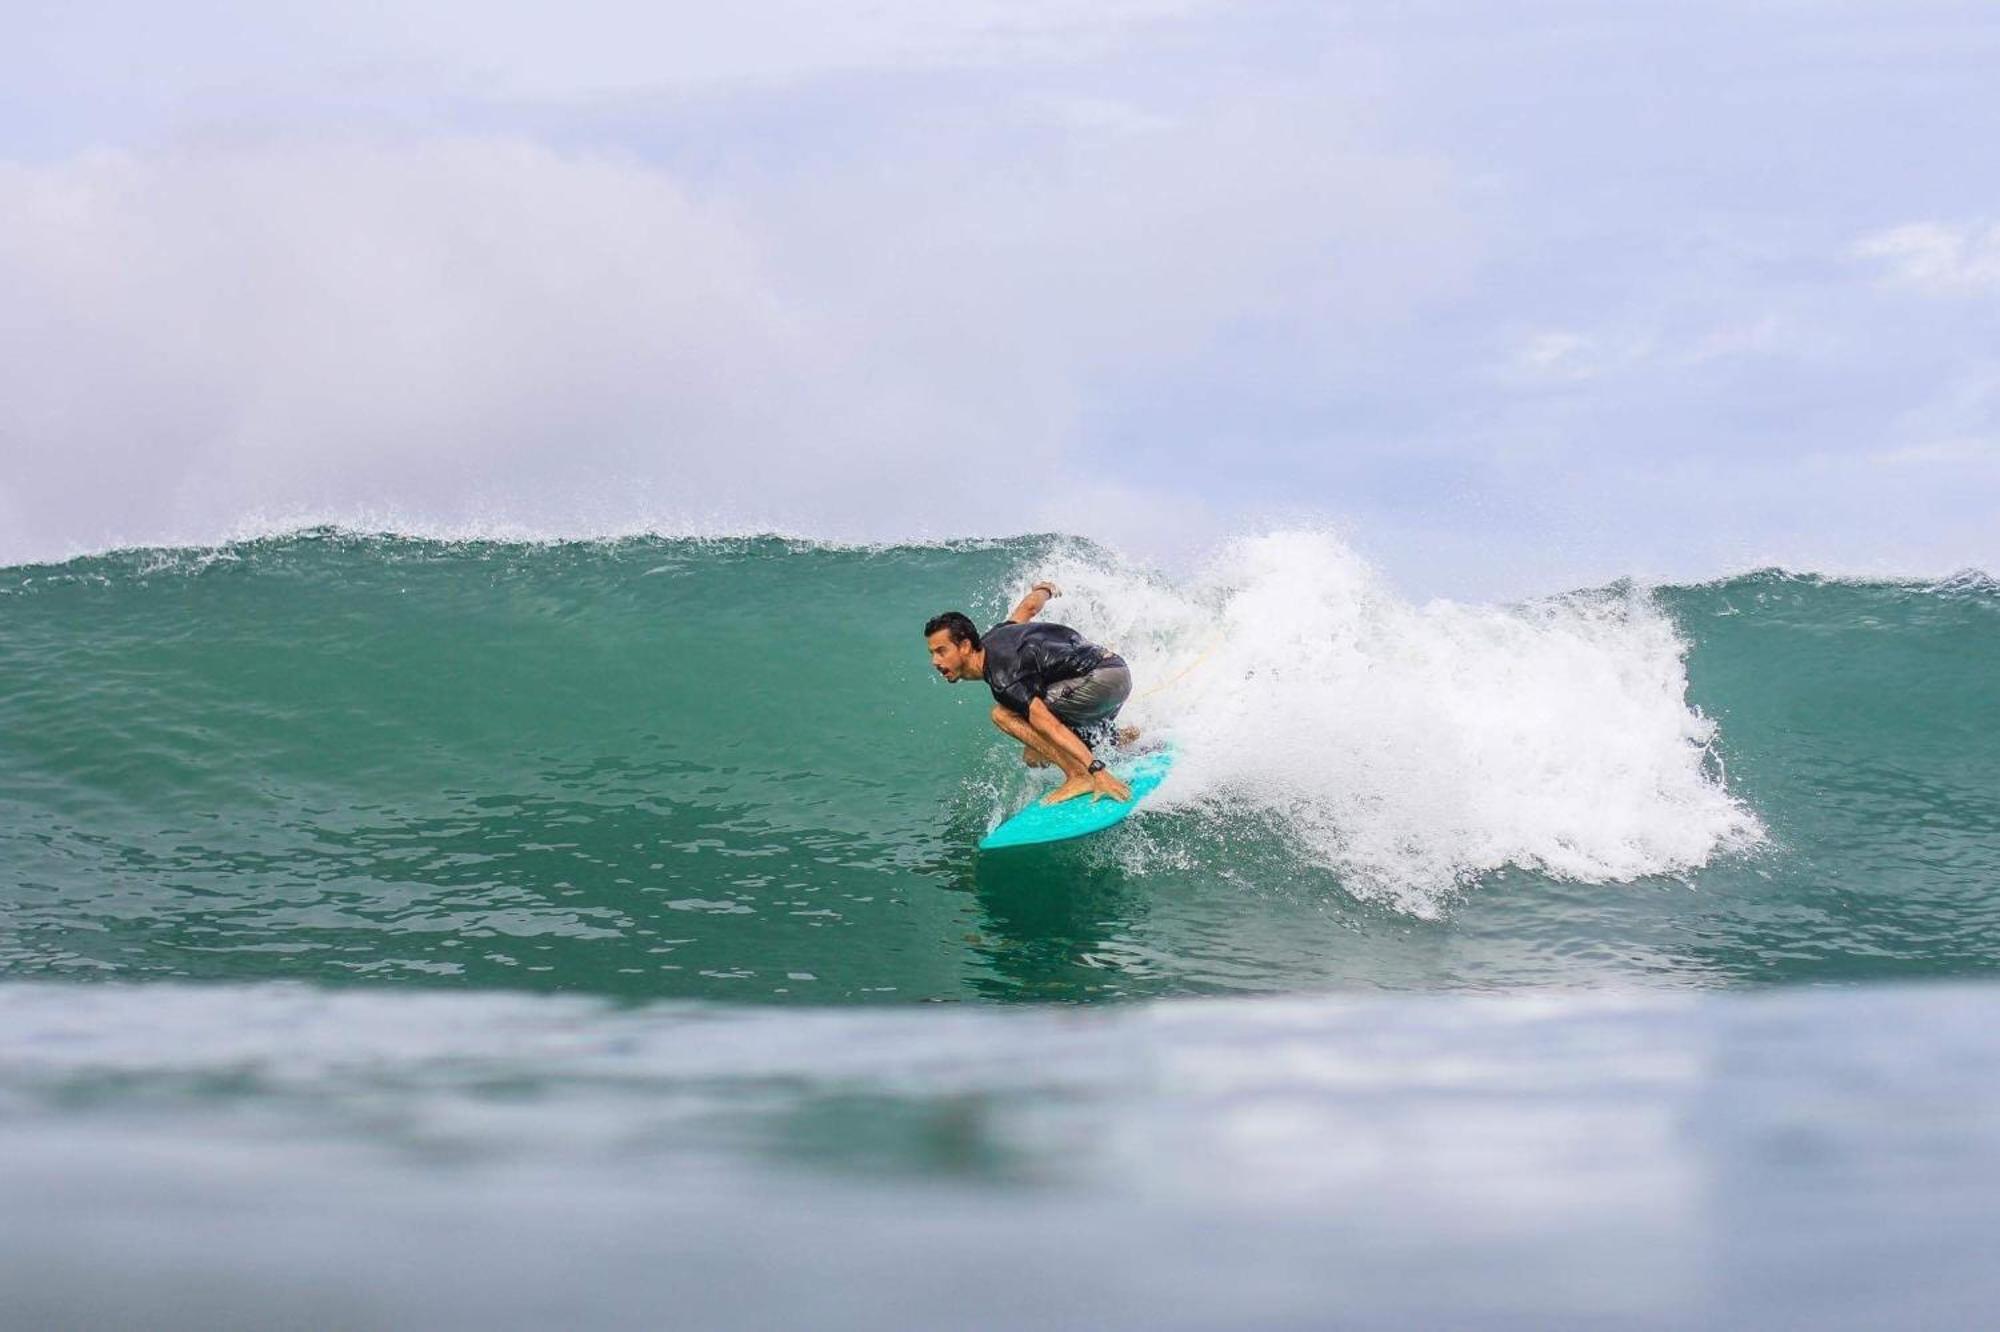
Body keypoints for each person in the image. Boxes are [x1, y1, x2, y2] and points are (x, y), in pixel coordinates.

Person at [925, 581, 1135, 805]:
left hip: (1101, 680)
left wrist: (1096, 770)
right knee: (1035, 754)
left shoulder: (1004, 679)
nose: (935, 662)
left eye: (941, 651)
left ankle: (1079, 775)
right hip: (1116, 671)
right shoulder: (996, 635)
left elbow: (1049, 725)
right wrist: (1045, 589)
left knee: (1004, 715)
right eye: (932, 653)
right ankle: (1121, 738)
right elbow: (1028, 609)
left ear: (965, 646)